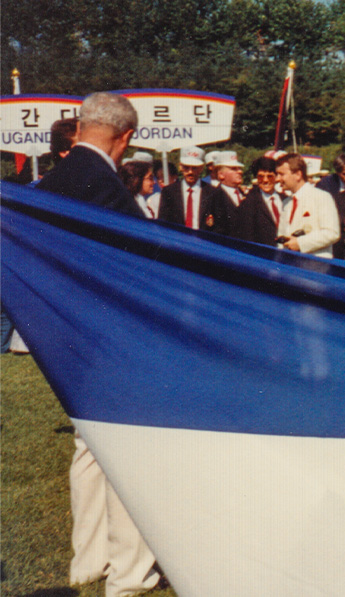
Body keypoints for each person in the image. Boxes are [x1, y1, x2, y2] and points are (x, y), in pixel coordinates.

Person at [35, 92, 163, 597]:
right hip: (113, 332)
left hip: (70, 329)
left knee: (90, 448)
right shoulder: (101, 182)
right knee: (130, 449)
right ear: (126, 137)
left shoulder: (56, 178)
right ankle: (130, 573)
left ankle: (88, 560)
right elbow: (141, 254)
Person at [274, 153, 340, 258]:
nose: (277, 179)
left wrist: (301, 243)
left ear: (298, 175)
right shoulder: (286, 203)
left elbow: (332, 233)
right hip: (289, 267)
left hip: (315, 268)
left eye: (281, 174)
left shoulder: (321, 197)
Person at [157, 146, 232, 235]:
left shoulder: (213, 193)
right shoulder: (169, 192)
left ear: (201, 168)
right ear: (180, 166)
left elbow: (221, 225)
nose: (190, 172)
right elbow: (163, 223)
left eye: (194, 168)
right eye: (186, 167)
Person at [234, 157, 283, 246]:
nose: (265, 180)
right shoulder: (248, 203)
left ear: (277, 177)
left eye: (270, 176)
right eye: (261, 177)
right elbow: (247, 237)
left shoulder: (285, 198)